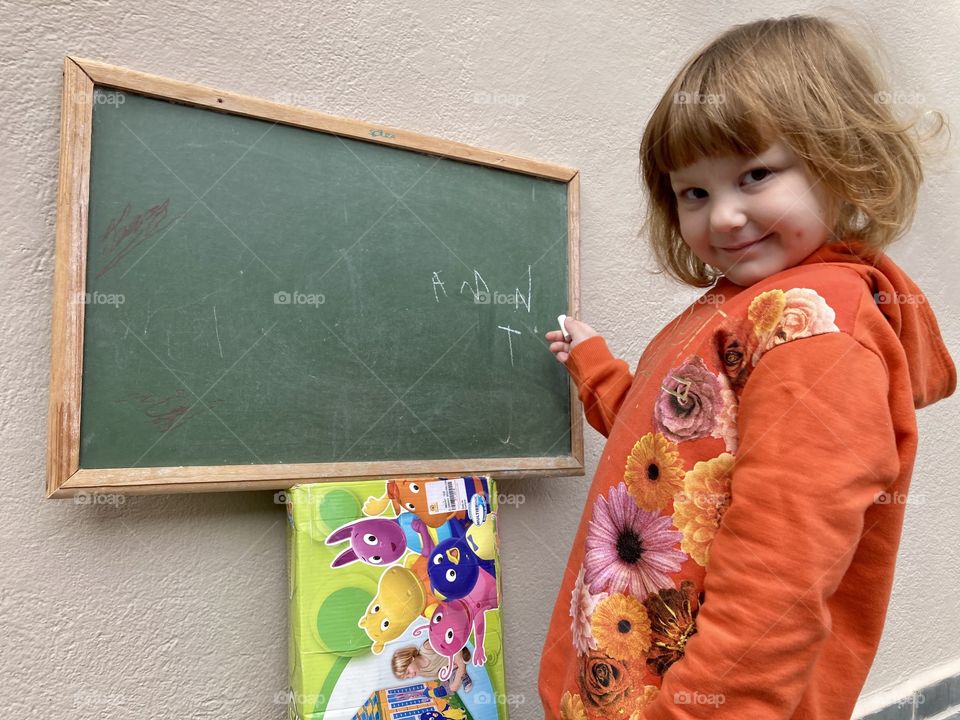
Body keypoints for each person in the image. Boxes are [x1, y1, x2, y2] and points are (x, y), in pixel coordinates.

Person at [538, 13, 955, 720]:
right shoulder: (737, 307)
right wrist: (593, 366)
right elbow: (667, 441)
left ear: (842, 157)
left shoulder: (813, 332)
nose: (724, 217)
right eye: (693, 193)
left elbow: (779, 578)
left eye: (755, 174)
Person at [391, 642, 473, 693]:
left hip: (458, 652)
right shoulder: (423, 673)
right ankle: (461, 673)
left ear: (411, 659)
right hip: (452, 666)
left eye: (408, 672)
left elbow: (450, 641)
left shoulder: (427, 648)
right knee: (450, 683)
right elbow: (442, 673)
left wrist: (456, 681)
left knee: (455, 681)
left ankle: (462, 673)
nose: (411, 676)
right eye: (408, 677)